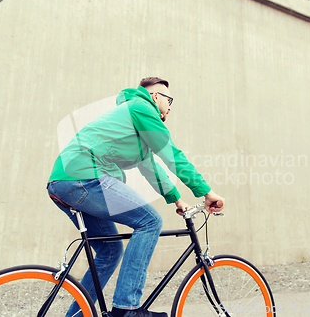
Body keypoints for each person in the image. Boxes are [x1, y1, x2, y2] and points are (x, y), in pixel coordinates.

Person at [47, 77, 225, 317]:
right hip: (84, 177)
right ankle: (126, 308)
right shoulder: (142, 108)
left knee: (110, 252)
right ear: (154, 97)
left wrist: (177, 199)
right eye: (168, 99)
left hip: (65, 182)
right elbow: (172, 153)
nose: (170, 106)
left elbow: (151, 166)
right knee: (150, 222)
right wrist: (207, 192)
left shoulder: (132, 120)